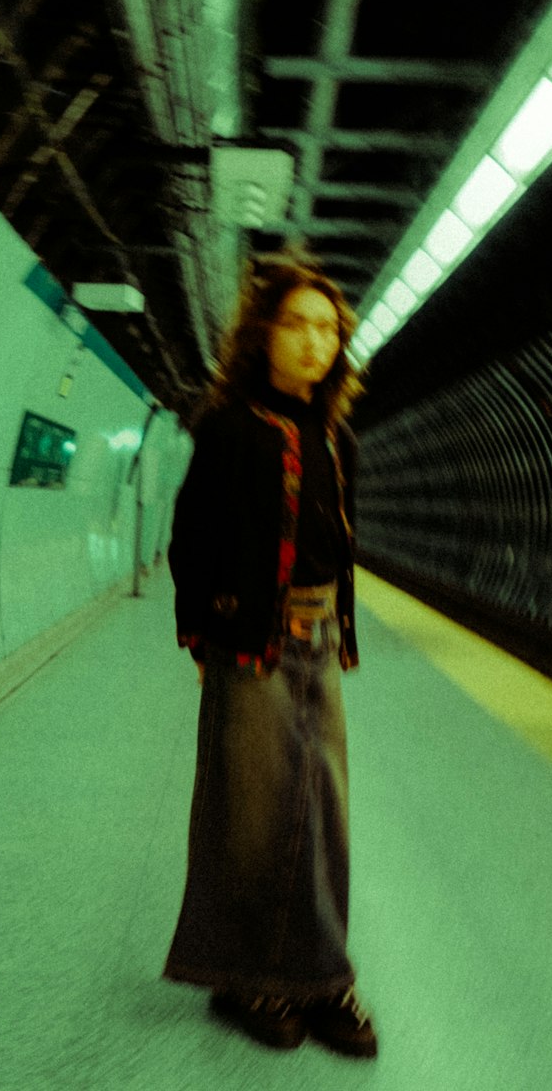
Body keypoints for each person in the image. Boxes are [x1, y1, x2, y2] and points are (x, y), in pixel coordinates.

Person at [162, 253, 378, 1058]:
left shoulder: (337, 438)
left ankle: (320, 978)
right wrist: (201, 636)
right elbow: (192, 536)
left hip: (318, 640)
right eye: (297, 325)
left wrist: (342, 629)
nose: (314, 342)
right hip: (250, 642)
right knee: (250, 816)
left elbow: (340, 547)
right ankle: (242, 977)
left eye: (327, 329)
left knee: (320, 812)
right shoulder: (228, 427)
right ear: (263, 335)